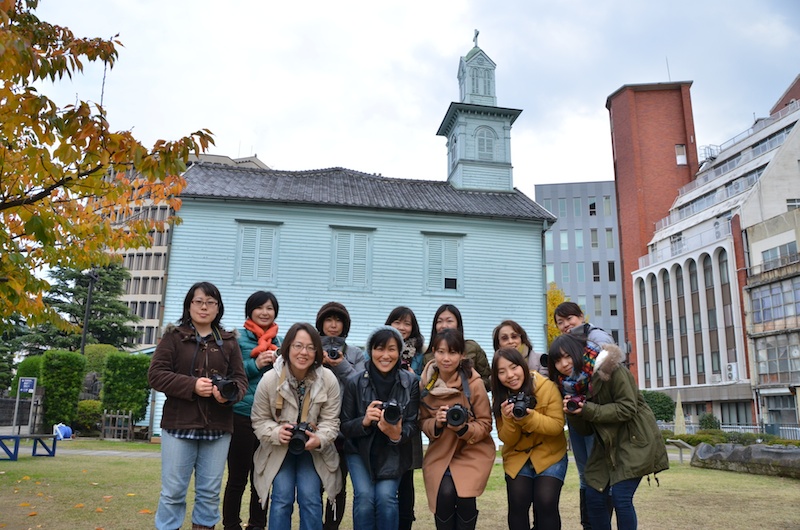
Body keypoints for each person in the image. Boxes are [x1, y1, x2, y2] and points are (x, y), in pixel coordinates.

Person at [148, 281, 247, 530]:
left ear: (218, 308)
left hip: (218, 427)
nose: (204, 307)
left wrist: (227, 395)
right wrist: (192, 385)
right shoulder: (174, 337)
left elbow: (240, 380)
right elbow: (156, 375)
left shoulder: (229, 341)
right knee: (173, 492)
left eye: (210, 302)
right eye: (199, 302)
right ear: (189, 305)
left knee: (209, 494)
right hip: (178, 424)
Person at [548, 334, 668, 530]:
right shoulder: (572, 386)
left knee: (621, 497)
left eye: (567, 356)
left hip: (634, 439)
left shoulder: (611, 368)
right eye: (558, 360)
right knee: (594, 495)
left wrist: (588, 409)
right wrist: (574, 414)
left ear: (579, 352)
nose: (564, 364)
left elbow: (627, 408)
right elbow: (586, 430)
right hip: (606, 445)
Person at [251, 322, 342, 530]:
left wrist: (319, 438)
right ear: (287, 348)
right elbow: (259, 420)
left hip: (313, 451)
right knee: (281, 497)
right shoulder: (270, 380)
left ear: (317, 351)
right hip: (278, 448)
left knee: (310, 497)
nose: (304, 353)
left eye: (310, 347)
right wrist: (277, 432)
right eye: (298, 346)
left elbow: (331, 421)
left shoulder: (328, 379)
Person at [340, 326, 420, 530]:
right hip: (359, 450)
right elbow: (344, 427)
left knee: (386, 498)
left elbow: (413, 423)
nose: (385, 355)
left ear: (399, 352)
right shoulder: (354, 382)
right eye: (379, 349)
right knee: (365, 497)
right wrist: (364, 421)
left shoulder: (410, 381)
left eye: (391, 349)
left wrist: (397, 434)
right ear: (370, 350)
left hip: (393, 451)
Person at [419, 328, 495, 530]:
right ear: (433, 352)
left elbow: (485, 423)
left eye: (452, 352)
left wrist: (463, 428)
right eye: (441, 352)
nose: (446, 358)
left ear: (462, 355)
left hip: (471, 450)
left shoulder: (474, 383)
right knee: (444, 494)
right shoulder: (426, 384)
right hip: (441, 451)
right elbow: (422, 421)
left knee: (465, 496)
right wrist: (436, 422)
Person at [552, 301, 615, 529]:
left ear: (581, 316)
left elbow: (609, 370)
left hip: (597, 417)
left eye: (569, 318)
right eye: (560, 322)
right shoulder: (567, 345)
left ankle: (600, 523)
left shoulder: (596, 337)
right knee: (584, 473)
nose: (566, 325)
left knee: (599, 474)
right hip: (576, 417)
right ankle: (588, 524)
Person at [222, 291, 282, 530]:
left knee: (263, 477)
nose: (265, 312)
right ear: (250, 311)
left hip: (270, 419)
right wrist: (255, 364)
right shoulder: (236, 339)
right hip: (241, 415)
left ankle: (257, 524)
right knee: (237, 477)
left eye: (270, 308)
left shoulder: (280, 342)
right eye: (260, 307)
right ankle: (231, 524)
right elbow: (229, 375)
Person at [491, 347, 567, 530]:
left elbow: (557, 425)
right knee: (517, 501)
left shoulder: (546, 387)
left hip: (549, 453)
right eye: (502, 372)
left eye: (514, 367)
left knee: (546, 501)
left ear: (523, 366)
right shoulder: (501, 396)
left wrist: (528, 418)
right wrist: (508, 419)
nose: (510, 375)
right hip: (518, 455)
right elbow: (507, 439)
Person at [315, 301, 365, 529]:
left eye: (338, 320)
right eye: (329, 319)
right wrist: (319, 362)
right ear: (321, 323)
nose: (333, 325)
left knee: (338, 486)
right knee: (315, 485)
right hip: (316, 426)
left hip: (344, 429)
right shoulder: (311, 349)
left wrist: (342, 364)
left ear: (345, 325)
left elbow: (362, 386)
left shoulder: (355, 353)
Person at [385, 306, 425, 530]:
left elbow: (427, 383)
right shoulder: (380, 347)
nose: (401, 327)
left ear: (413, 328)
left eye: (407, 323)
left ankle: (405, 522)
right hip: (384, 418)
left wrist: (414, 378)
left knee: (407, 479)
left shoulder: (420, 353)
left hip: (410, 419)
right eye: (397, 322)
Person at [422, 304, 491, 391]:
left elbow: (488, 380)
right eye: (439, 321)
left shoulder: (472, 348)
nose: (444, 325)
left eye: (449, 321)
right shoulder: (428, 356)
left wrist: (469, 386)